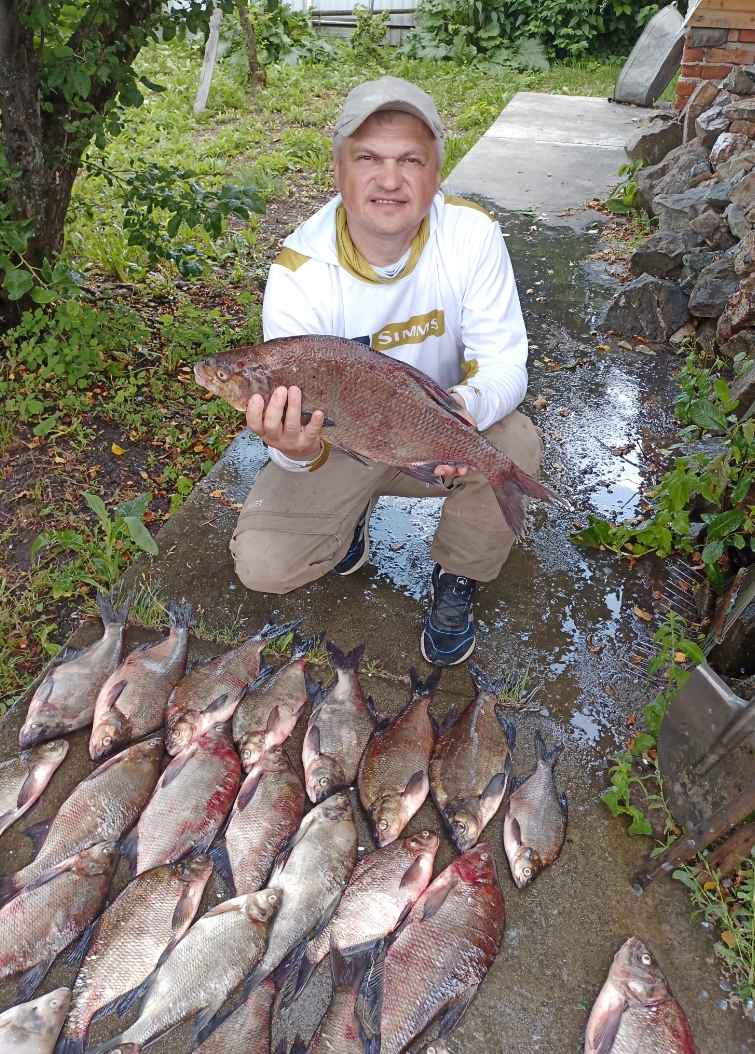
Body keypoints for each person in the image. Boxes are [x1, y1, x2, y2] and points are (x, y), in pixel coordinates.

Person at [229, 75, 542, 666]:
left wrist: (463, 410)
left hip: (440, 427)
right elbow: (291, 434)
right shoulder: (300, 270)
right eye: (368, 157)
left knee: (517, 442)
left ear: (436, 175)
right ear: (338, 170)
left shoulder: (472, 235)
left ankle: (457, 575)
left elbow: (506, 364)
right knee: (264, 564)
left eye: (411, 160)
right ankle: (346, 525)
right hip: (342, 442)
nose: (390, 179)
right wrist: (293, 449)